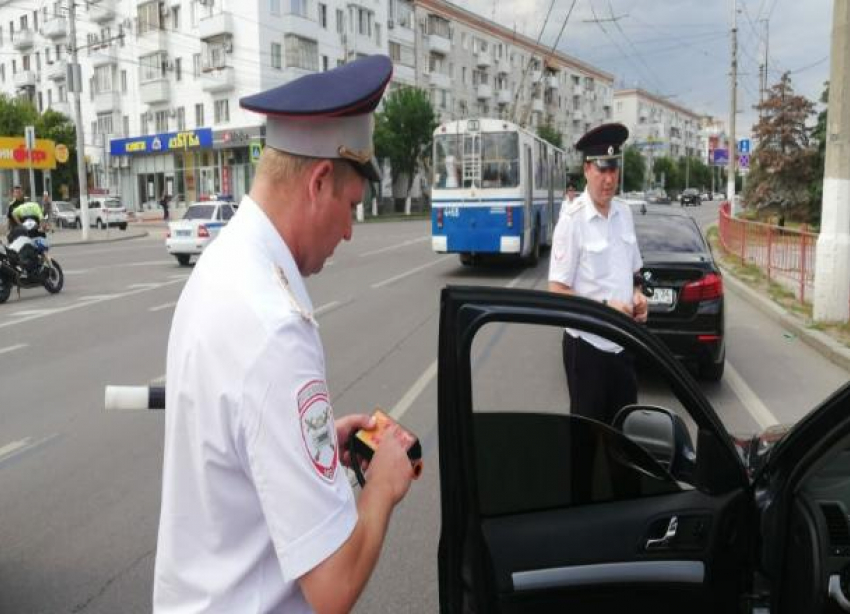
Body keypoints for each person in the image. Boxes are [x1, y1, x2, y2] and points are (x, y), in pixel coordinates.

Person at [153, 55, 416, 613]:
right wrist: (383, 488)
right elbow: (333, 586)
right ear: (320, 181)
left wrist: (314, 443)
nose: (349, 231)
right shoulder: (277, 326)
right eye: (350, 207)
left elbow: (238, 441)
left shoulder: (221, 265)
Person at [548, 123, 648, 425]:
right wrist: (605, 309)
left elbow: (634, 271)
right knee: (586, 442)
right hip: (587, 349)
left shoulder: (624, 213)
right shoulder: (572, 220)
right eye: (602, 171)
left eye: (613, 170)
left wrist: (638, 295)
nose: (608, 179)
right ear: (587, 169)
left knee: (625, 437)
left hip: (622, 344)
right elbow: (557, 291)